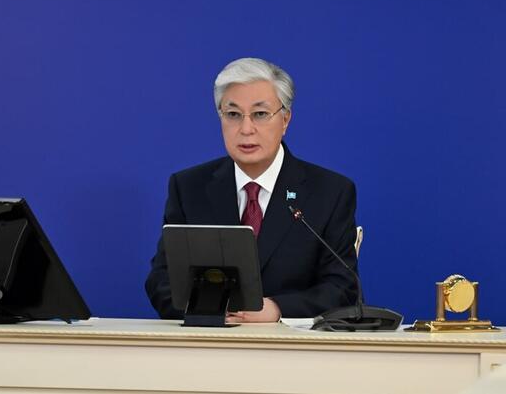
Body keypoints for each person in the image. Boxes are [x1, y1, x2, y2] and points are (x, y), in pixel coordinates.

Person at [145, 57, 360, 322]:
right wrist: (210, 308)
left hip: (293, 344)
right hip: (211, 340)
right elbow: (162, 281)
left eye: (260, 114)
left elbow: (342, 287)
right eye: (233, 115)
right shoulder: (189, 187)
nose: (246, 129)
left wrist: (278, 309)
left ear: (285, 120)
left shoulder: (330, 192)